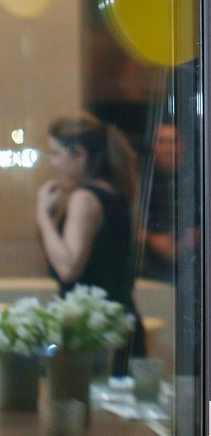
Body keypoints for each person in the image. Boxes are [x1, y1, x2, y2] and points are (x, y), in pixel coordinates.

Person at [36, 113, 147, 373]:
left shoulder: (84, 199)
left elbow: (68, 268)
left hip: (94, 335)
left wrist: (42, 216)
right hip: (116, 325)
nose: (53, 162)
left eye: (56, 153)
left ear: (79, 154)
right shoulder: (113, 193)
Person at [140, 121, 198, 281]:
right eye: (161, 141)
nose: (167, 148)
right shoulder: (140, 180)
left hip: (195, 267)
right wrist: (152, 240)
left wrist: (195, 237)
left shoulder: (199, 178)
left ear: (183, 145)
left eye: (173, 141)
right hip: (149, 268)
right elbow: (126, 219)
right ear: (152, 146)